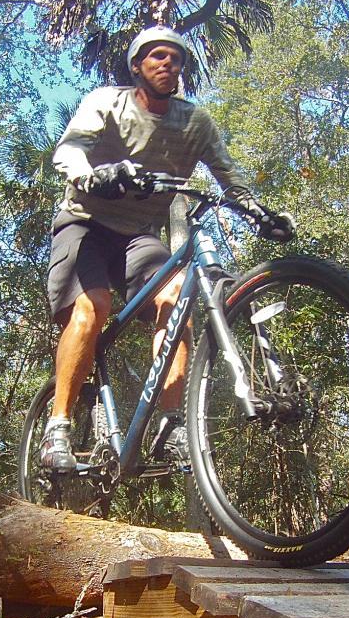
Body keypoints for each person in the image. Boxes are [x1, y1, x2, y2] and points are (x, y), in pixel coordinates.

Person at [40, 25, 293, 470]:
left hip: (138, 236)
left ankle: (172, 423)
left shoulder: (194, 122)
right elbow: (70, 151)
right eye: (156, 56)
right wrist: (94, 175)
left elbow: (229, 177)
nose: (167, 64)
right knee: (91, 307)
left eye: (175, 59)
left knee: (176, 301)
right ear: (137, 66)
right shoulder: (107, 102)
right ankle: (57, 426)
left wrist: (259, 212)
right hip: (84, 224)